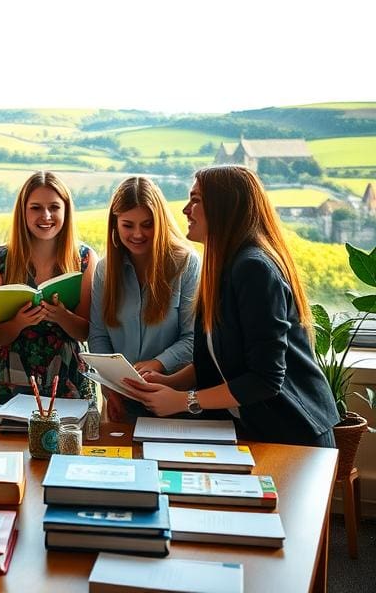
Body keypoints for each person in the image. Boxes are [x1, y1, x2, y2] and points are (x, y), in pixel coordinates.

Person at [122, 165, 340, 447]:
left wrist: (184, 400)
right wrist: (172, 383)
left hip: (292, 434)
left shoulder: (254, 269)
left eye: (196, 200)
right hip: (253, 430)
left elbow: (265, 378)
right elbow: (217, 359)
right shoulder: (220, 269)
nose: (186, 210)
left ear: (225, 207)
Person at [88, 176, 199, 422]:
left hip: (173, 400)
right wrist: (109, 389)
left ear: (160, 222)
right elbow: (97, 335)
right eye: (128, 225)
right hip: (121, 402)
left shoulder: (186, 264)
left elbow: (194, 338)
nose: (138, 234)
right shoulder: (105, 270)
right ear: (115, 224)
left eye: (147, 225)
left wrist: (158, 363)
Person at [0, 170, 96, 403]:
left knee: (71, 438)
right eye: (36, 208)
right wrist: (19, 322)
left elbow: (85, 331)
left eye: (54, 207)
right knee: (12, 438)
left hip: (69, 373)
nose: (46, 215)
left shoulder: (84, 258)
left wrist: (62, 316)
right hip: (15, 372)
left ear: (66, 210)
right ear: (23, 212)